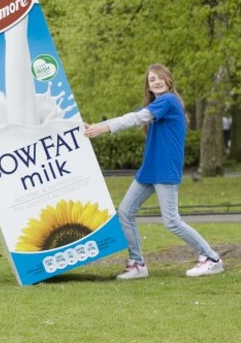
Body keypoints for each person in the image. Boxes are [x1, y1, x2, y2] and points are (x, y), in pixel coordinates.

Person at [84, 64, 224, 279]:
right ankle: (138, 264)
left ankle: (212, 258)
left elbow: (135, 118)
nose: (157, 81)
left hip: (165, 170)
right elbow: (136, 115)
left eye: (160, 78)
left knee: (171, 221)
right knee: (125, 212)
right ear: (148, 87)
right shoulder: (158, 104)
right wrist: (97, 126)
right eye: (152, 80)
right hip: (149, 170)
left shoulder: (168, 100)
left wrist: (103, 128)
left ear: (169, 81)